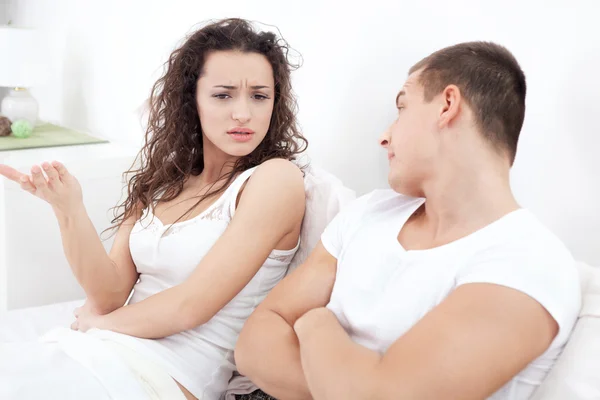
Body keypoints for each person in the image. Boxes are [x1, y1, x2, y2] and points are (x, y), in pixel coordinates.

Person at [235, 41, 581, 400]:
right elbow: (252, 345)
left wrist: (316, 322)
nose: (384, 136)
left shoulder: (527, 263)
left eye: (401, 108)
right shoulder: (371, 212)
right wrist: (346, 383)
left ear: (448, 106)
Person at [0, 18, 306, 400]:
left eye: (259, 96)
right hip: (100, 351)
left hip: (163, 376)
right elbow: (109, 292)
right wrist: (68, 210)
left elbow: (191, 305)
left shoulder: (276, 180)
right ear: (190, 100)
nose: (243, 113)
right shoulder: (166, 179)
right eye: (223, 95)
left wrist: (101, 324)